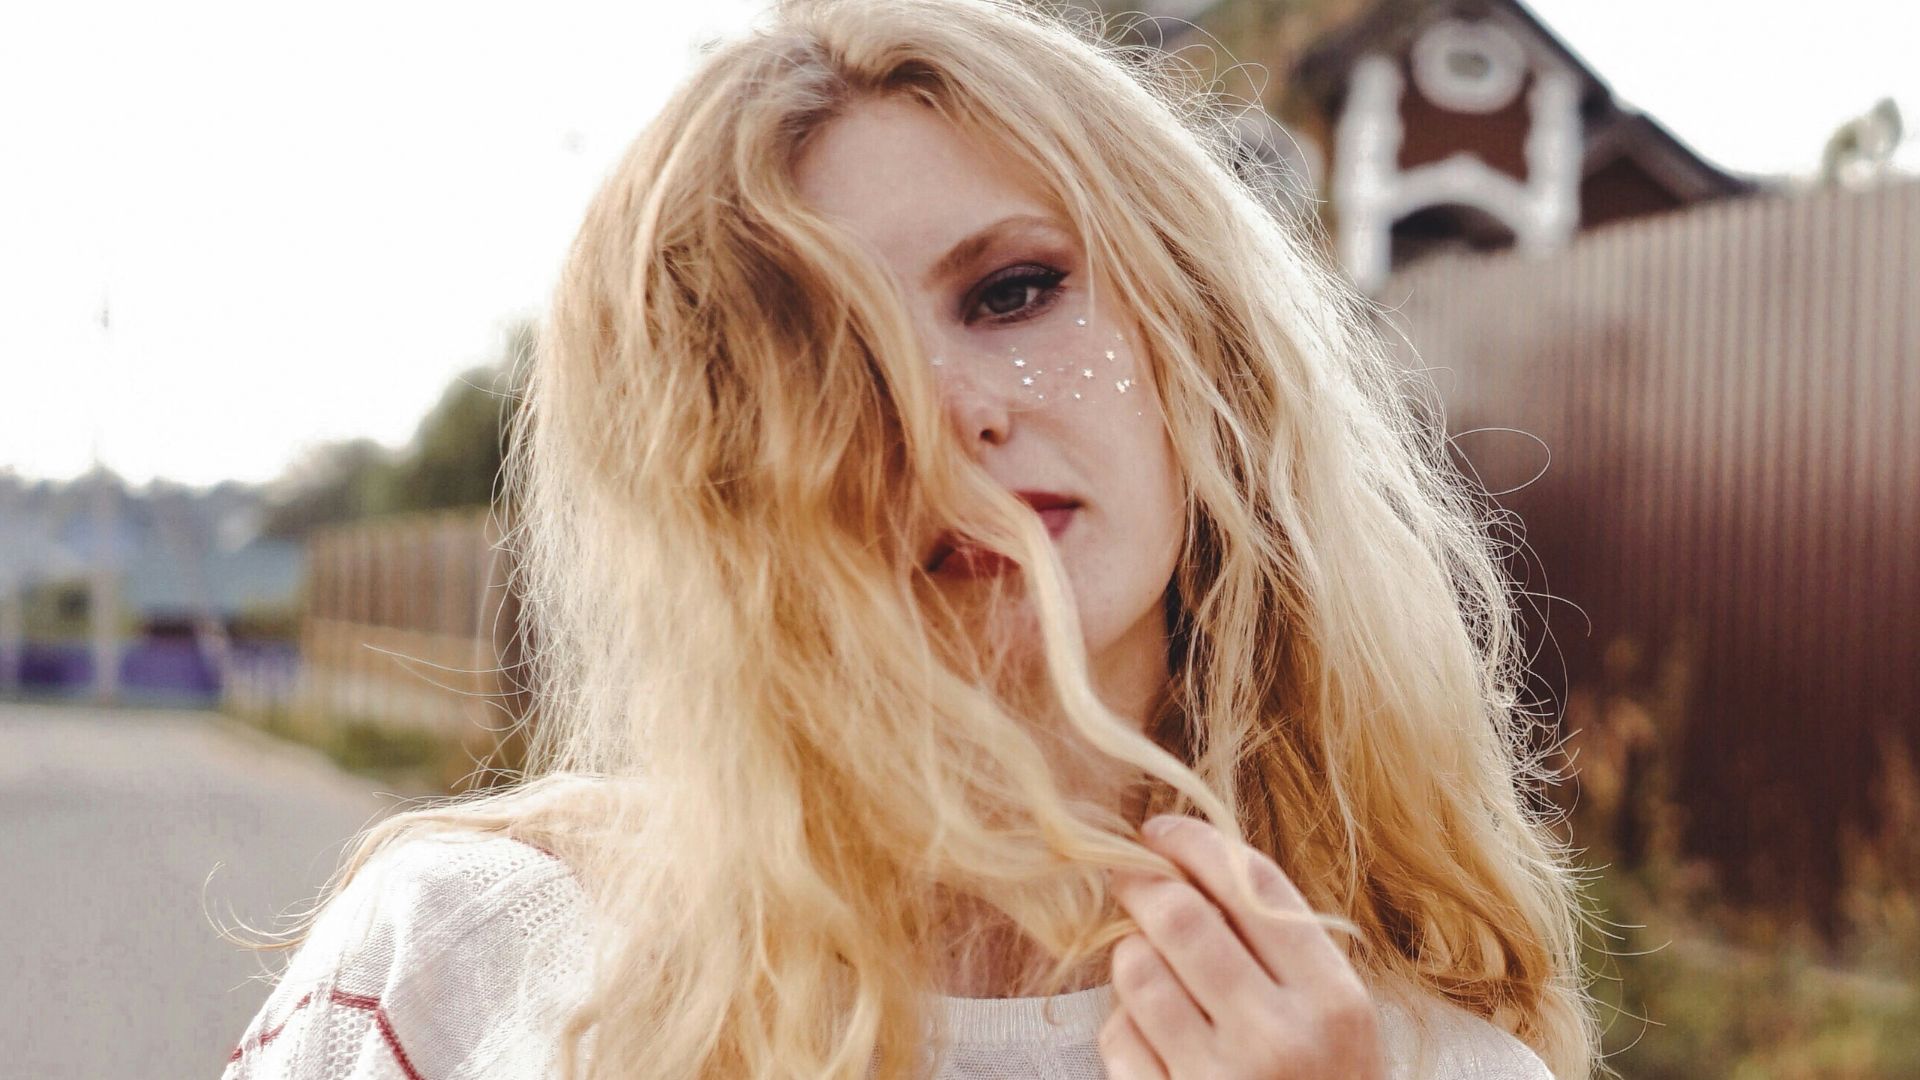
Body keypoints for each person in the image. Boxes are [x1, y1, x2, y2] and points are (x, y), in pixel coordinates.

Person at [222, 0, 1599, 1076]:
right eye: (826, 363)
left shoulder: (1427, 1066)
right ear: (708, 485)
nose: (945, 419)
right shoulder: (463, 972)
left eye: (1013, 292)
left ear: (1202, 346)